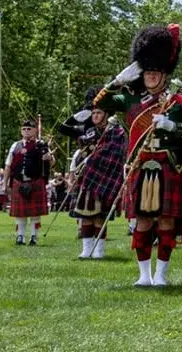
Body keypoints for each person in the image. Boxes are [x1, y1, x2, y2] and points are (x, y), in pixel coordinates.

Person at [94, 23, 182, 287]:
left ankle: (161, 275)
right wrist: (117, 81)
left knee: (166, 223)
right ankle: (143, 275)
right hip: (141, 166)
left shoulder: (177, 102)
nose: (151, 76)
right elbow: (101, 103)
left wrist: (171, 125)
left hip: (168, 166)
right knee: (142, 222)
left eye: (156, 72)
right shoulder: (131, 100)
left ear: (165, 75)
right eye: (148, 72)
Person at [58, 86, 127, 260]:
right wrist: (76, 117)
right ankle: (86, 249)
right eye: (93, 113)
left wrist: (94, 158)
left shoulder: (115, 131)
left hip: (104, 178)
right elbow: (64, 129)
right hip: (86, 179)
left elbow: (116, 154)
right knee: (85, 216)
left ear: (106, 114)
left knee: (99, 216)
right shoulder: (87, 131)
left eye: (98, 112)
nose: (95, 116)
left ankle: (99, 250)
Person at [4, 120, 54, 245]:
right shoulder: (15, 145)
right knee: (20, 214)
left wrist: (50, 158)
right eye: (24, 129)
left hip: (35, 181)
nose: (26, 131)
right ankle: (20, 236)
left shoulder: (41, 145)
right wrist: (5, 183)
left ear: (35, 130)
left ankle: (33, 237)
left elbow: (51, 162)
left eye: (29, 129)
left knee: (35, 213)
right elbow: (8, 165)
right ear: (21, 131)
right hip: (18, 181)